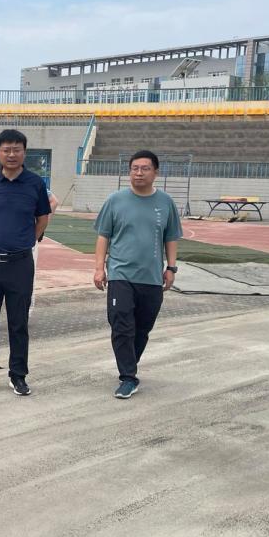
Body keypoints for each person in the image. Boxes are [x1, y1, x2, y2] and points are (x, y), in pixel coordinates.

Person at [93, 149, 182, 400]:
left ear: (155, 172)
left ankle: (129, 366)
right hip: (120, 274)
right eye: (134, 168)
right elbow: (103, 236)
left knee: (142, 328)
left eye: (145, 168)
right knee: (121, 323)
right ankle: (128, 377)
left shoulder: (165, 203)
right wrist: (99, 268)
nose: (139, 173)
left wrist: (171, 267)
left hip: (151, 277)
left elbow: (171, 237)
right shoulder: (115, 200)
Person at [0, 129, 52, 397]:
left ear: (24, 153)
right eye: (6, 150)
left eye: (17, 149)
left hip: (20, 265)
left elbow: (42, 218)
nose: (12, 154)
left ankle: (18, 375)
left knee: (19, 323)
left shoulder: (35, 184)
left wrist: (28, 239)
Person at [29, 188, 59, 312]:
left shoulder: (33, 183)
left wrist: (38, 230)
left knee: (26, 278)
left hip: (26, 240)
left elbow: (54, 201)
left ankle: (25, 312)